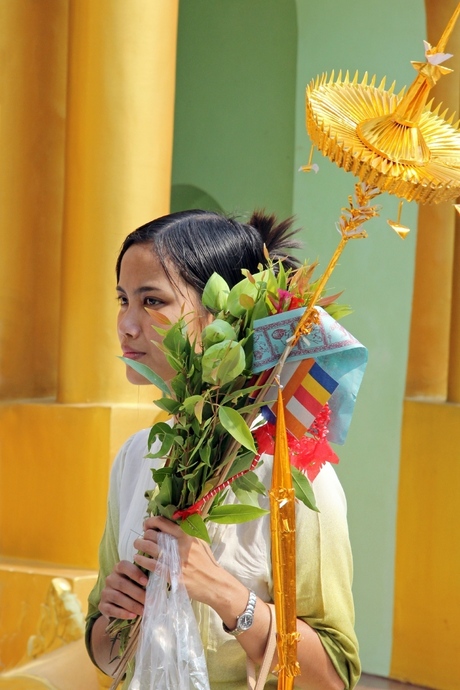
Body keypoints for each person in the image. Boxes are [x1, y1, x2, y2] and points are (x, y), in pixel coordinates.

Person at [85, 209, 361, 690]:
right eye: (123, 299)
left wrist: (227, 595)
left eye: (151, 300)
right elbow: (107, 656)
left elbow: (334, 677)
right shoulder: (136, 458)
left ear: (225, 317)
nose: (126, 325)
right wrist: (115, 616)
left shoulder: (291, 474)